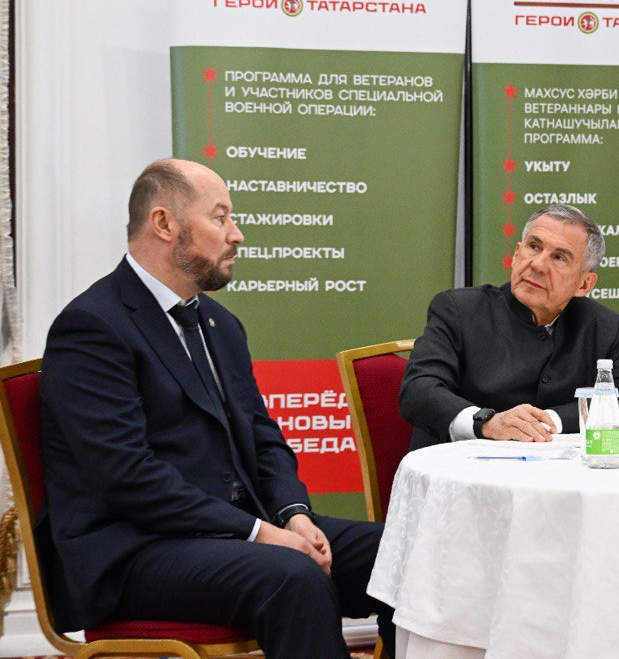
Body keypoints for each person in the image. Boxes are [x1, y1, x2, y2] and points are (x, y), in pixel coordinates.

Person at [39, 159, 395, 658]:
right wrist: (259, 533)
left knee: (401, 554)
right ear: (165, 223)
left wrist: (292, 515)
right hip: (133, 550)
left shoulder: (219, 324)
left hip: (230, 529)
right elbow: (127, 476)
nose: (237, 235)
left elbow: (263, 436)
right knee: (291, 575)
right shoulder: (92, 327)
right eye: (220, 217)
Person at [400, 205, 619, 449]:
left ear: (584, 284)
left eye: (559, 257)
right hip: (463, 466)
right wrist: (487, 422)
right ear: (517, 254)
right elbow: (418, 390)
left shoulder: (601, 325)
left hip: (555, 471)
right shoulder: (459, 309)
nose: (538, 265)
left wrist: (550, 421)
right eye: (534, 247)